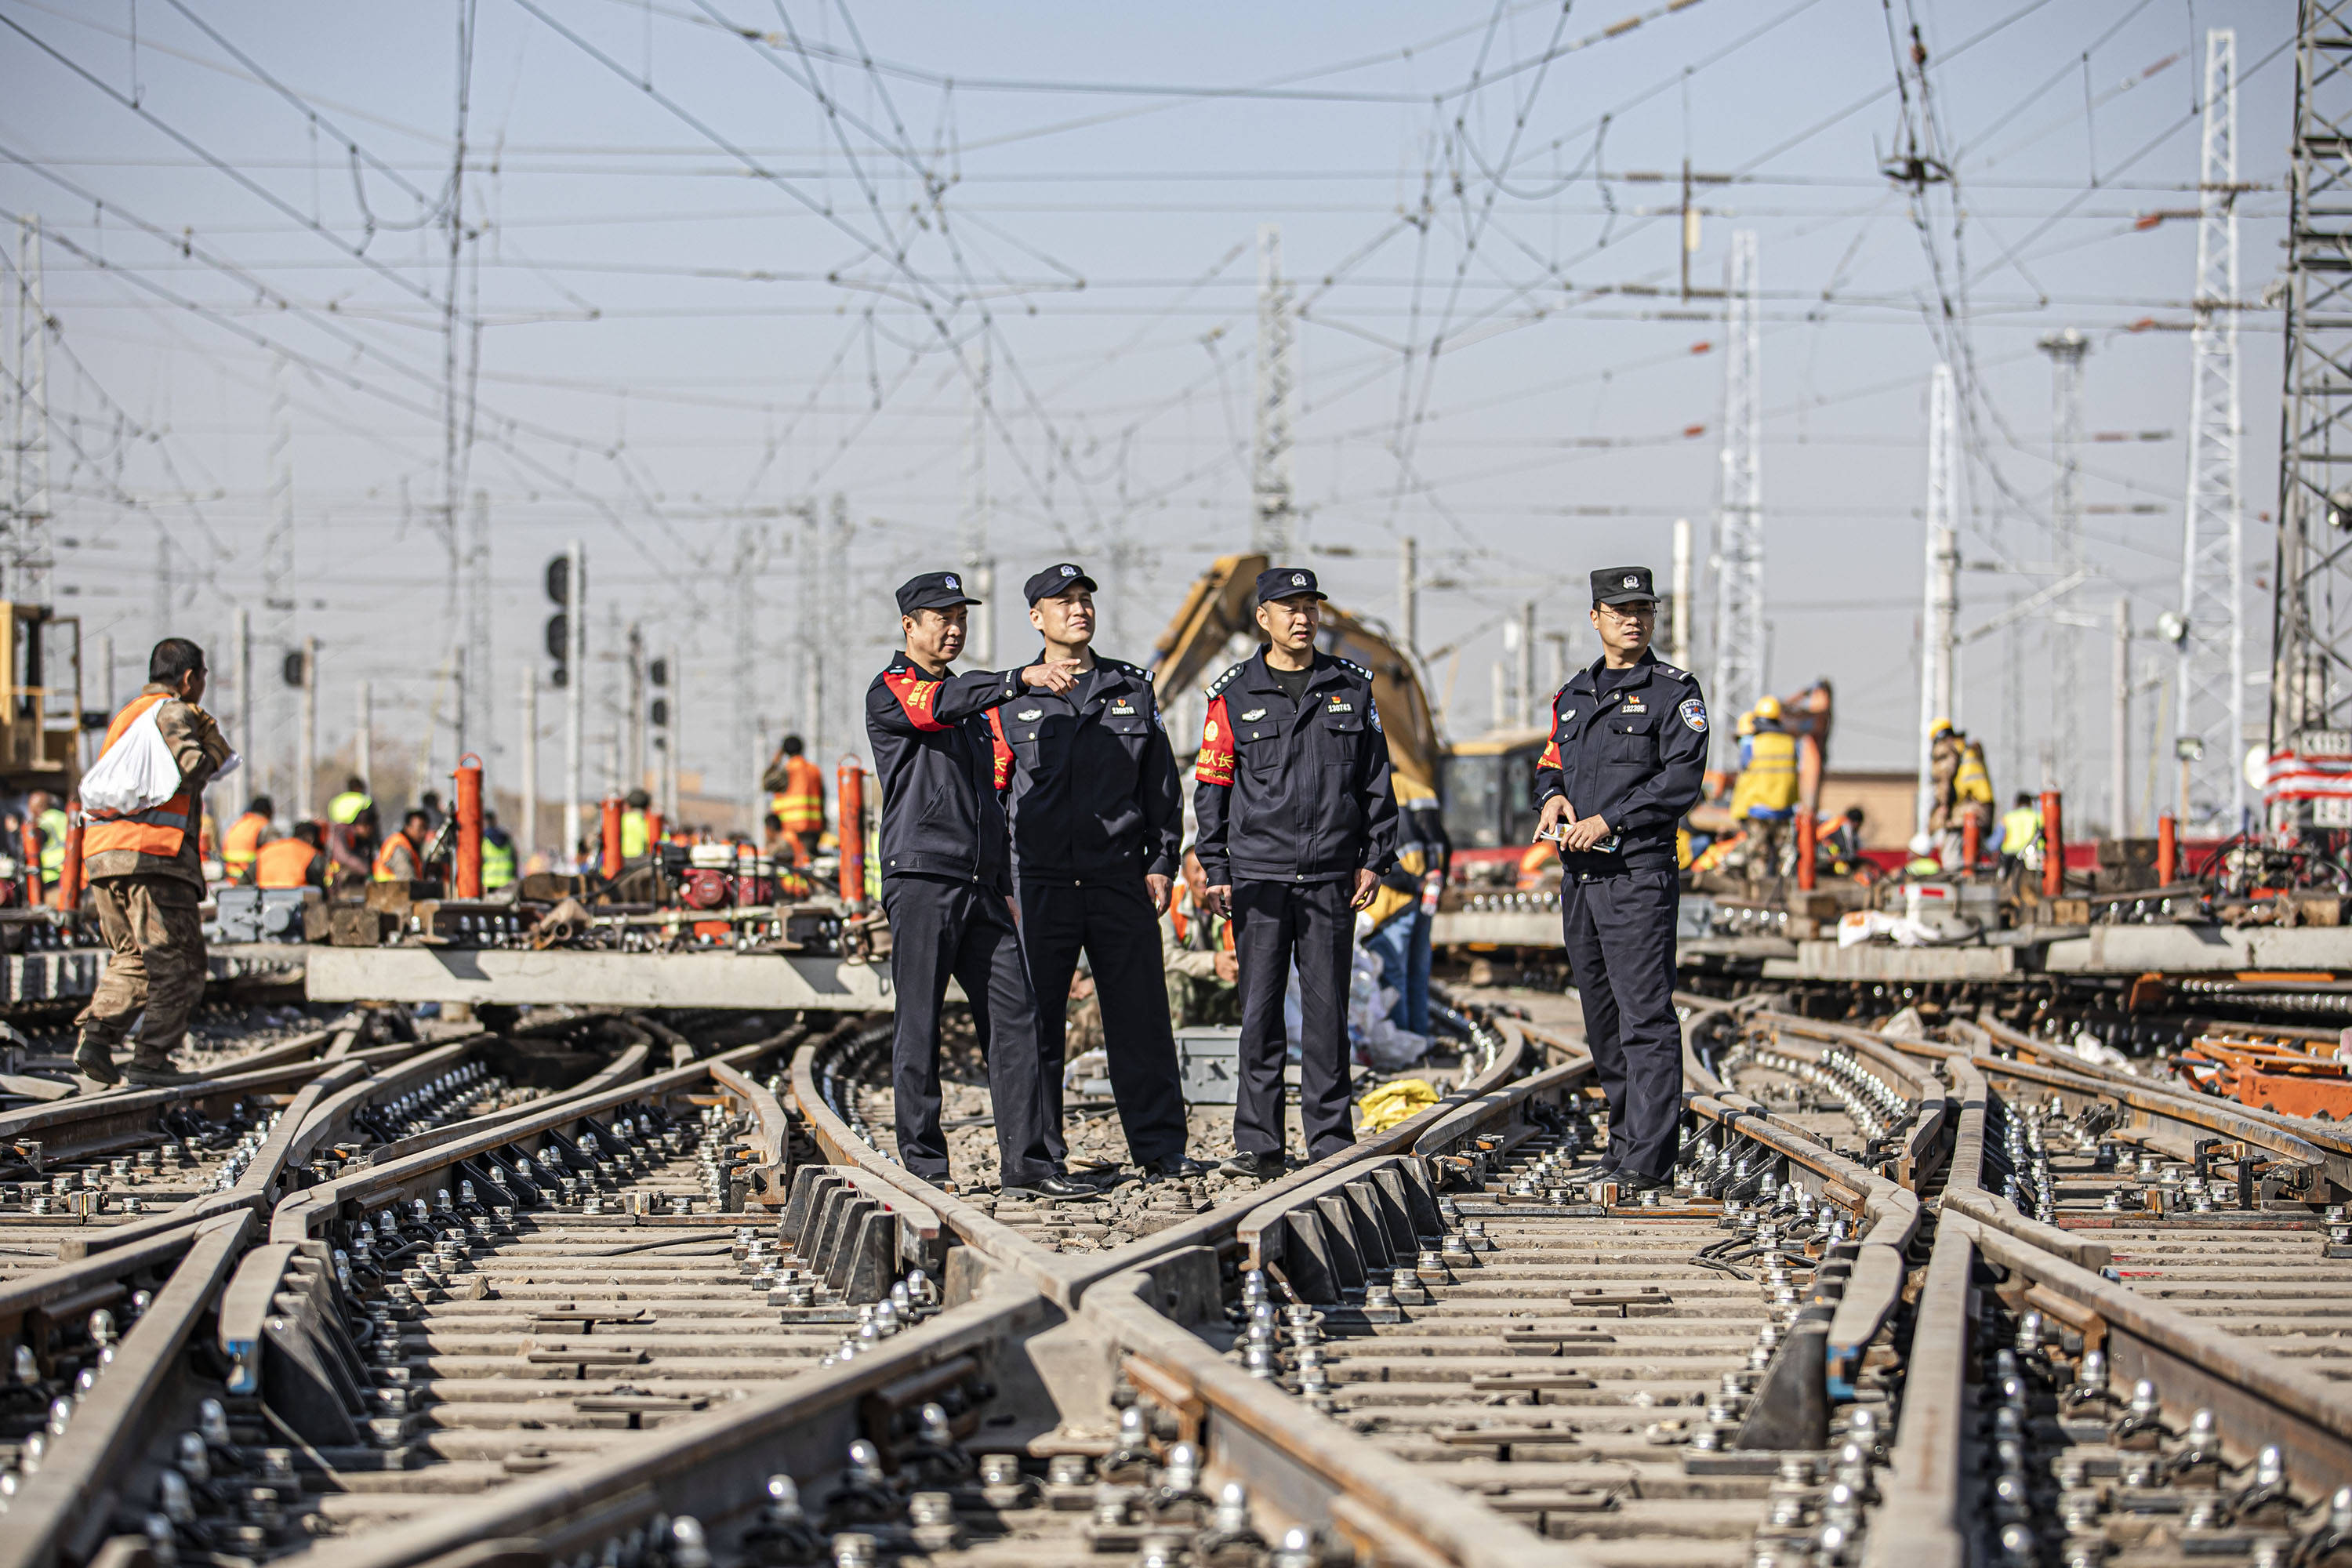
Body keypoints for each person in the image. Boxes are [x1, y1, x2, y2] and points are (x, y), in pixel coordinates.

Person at [866, 569, 1090, 1202]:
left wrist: (1002, 878)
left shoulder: (973, 708)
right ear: (910, 626)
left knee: (1017, 1017)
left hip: (981, 886)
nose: (955, 628)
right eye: (942, 618)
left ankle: (1030, 1164)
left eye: (961, 617)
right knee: (920, 1022)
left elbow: (993, 795)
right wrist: (1021, 677)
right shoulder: (894, 691)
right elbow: (934, 708)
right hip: (922, 878)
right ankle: (924, 1166)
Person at [1194, 566, 1399, 1180]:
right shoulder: (1231, 696)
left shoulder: (1352, 689)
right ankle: (1258, 1143)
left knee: (1327, 1012)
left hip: (1332, 876)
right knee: (1258, 1013)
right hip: (1258, 878)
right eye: (1289, 607)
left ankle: (1330, 1138)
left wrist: (1374, 858)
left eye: (1310, 606)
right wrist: (1216, 867)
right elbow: (1212, 787)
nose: (1302, 617)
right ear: (1264, 618)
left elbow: (1376, 785)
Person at [1002, 563, 1199, 1182]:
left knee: (1140, 1018)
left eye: (1085, 600)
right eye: (1063, 603)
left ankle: (1162, 1149)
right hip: (1039, 885)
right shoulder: (1012, 699)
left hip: (1120, 879)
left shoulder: (1131, 689)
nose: (1078, 610)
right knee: (1038, 1026)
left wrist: (1163, 862)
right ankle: (1042, 1155)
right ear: (1037, 618)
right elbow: (996, 796)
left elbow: (1161, 787)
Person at [1532, 567, 1706, 1196]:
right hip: (1580, 878)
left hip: (1637, 874)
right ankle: (1623, 1139)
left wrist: (1610, 819)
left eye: (1643, 609)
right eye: (1619, 609)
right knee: (1602, 1016)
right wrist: (1550, 799)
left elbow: (1682, 779)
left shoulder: (1672, 693)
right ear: (1595, 618)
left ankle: (1650, 1158)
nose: (1632, 619)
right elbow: (1552, 760)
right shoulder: (1574, 695)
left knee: (1644, 1017)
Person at [74, 637, 234, 1087]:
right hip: (154, 857)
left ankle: (98, 1038)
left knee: (133, 956)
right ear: (189, 678)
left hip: (104, 855)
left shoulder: (127, 716)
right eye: (201, 679)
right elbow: (193, 767)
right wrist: (215, 746)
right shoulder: (175, 711)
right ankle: (151, 1059)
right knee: (179, 962)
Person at [1163, 848, 1240, 1029]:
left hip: (1227, 987)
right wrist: (1213, 962)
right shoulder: (1170, 904)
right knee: (1174, 981)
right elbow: (1165, 957)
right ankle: (1176, 1049)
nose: (1202, 877)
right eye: (1196, 869)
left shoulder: (1236, 902)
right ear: (1184, 873)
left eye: (1208, 869)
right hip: (1189, 989)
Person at [1729, 695, 1798, 876]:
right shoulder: (1790, 743)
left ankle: (1757, 893)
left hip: (1757, 808)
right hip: (1783, 808)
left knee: (1757, 856)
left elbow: (1745, 770)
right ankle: (1780, 894)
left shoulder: (1751, 743)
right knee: (1781, 858)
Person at [763, 735, 828, 865]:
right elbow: (823, 797)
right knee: (809, 866)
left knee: (790, 868)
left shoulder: (788, 771)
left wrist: (776, 761)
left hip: (791, 831)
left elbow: (766, 783)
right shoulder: (815, 771)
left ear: (784, 751)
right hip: (813, 832)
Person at [256, 821, 325, 890]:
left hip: (265, 896)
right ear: (310, 839)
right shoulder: (310, 853)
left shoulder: (265, 851)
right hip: (297, 896)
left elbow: (247, 880)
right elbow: (319, 886)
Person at [220, 795, 274, 884]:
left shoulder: (237, 824)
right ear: (267, 811)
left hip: (231, 879)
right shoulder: (263, 826)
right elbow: (275, 853)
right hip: (249, 880)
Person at [327, 804, 376, 895]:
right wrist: (365, 869)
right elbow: (344, 857)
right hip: (341, 886)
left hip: (357, 886)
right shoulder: (342, 835)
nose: (371, 831)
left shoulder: (365, 840)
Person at [24, 789, 67, 891]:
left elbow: (35, 842)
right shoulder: (63, 816)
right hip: (67, 868)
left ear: (37, 808)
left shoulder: (44, 822)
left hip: (51, 873)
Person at [373, 808, 430, 883]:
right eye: (420, 829)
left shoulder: (411, 846)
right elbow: (407, 880)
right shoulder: (399, 847)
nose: (423, 833)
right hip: (388, 891)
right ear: (408, 828)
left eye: (425, 829)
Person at [1999, 792, 2042, 880]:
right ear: (2030, 804)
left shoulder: (2008, 818)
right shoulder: (2038, 817)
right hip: (2033, 855)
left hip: (2010, 856)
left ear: (2016, 804)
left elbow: (1995, 842)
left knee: (2006, 881)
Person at [481, 811, 517, 891]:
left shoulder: (484, 840)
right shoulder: (507, 838)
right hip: (507, 880)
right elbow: (514, 858)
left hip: (488, 881)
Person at [621, 788, 653, 859]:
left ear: (627, 805)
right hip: (647, 863)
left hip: (621, 864)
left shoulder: (619, 821)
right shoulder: (653, 822)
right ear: (648, 807)